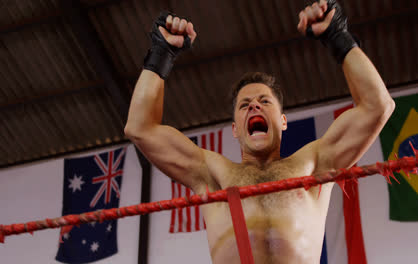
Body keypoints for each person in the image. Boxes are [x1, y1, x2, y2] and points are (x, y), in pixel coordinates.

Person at [124, 0, 395, 263]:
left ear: (283, 121)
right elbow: (140, 128)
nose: (254, 105)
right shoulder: (212, 173)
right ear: (234, 129)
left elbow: (377, 107)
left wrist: (338, 36)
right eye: (244, 105)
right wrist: (161, 54)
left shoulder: (314, 164)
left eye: (264, 101)